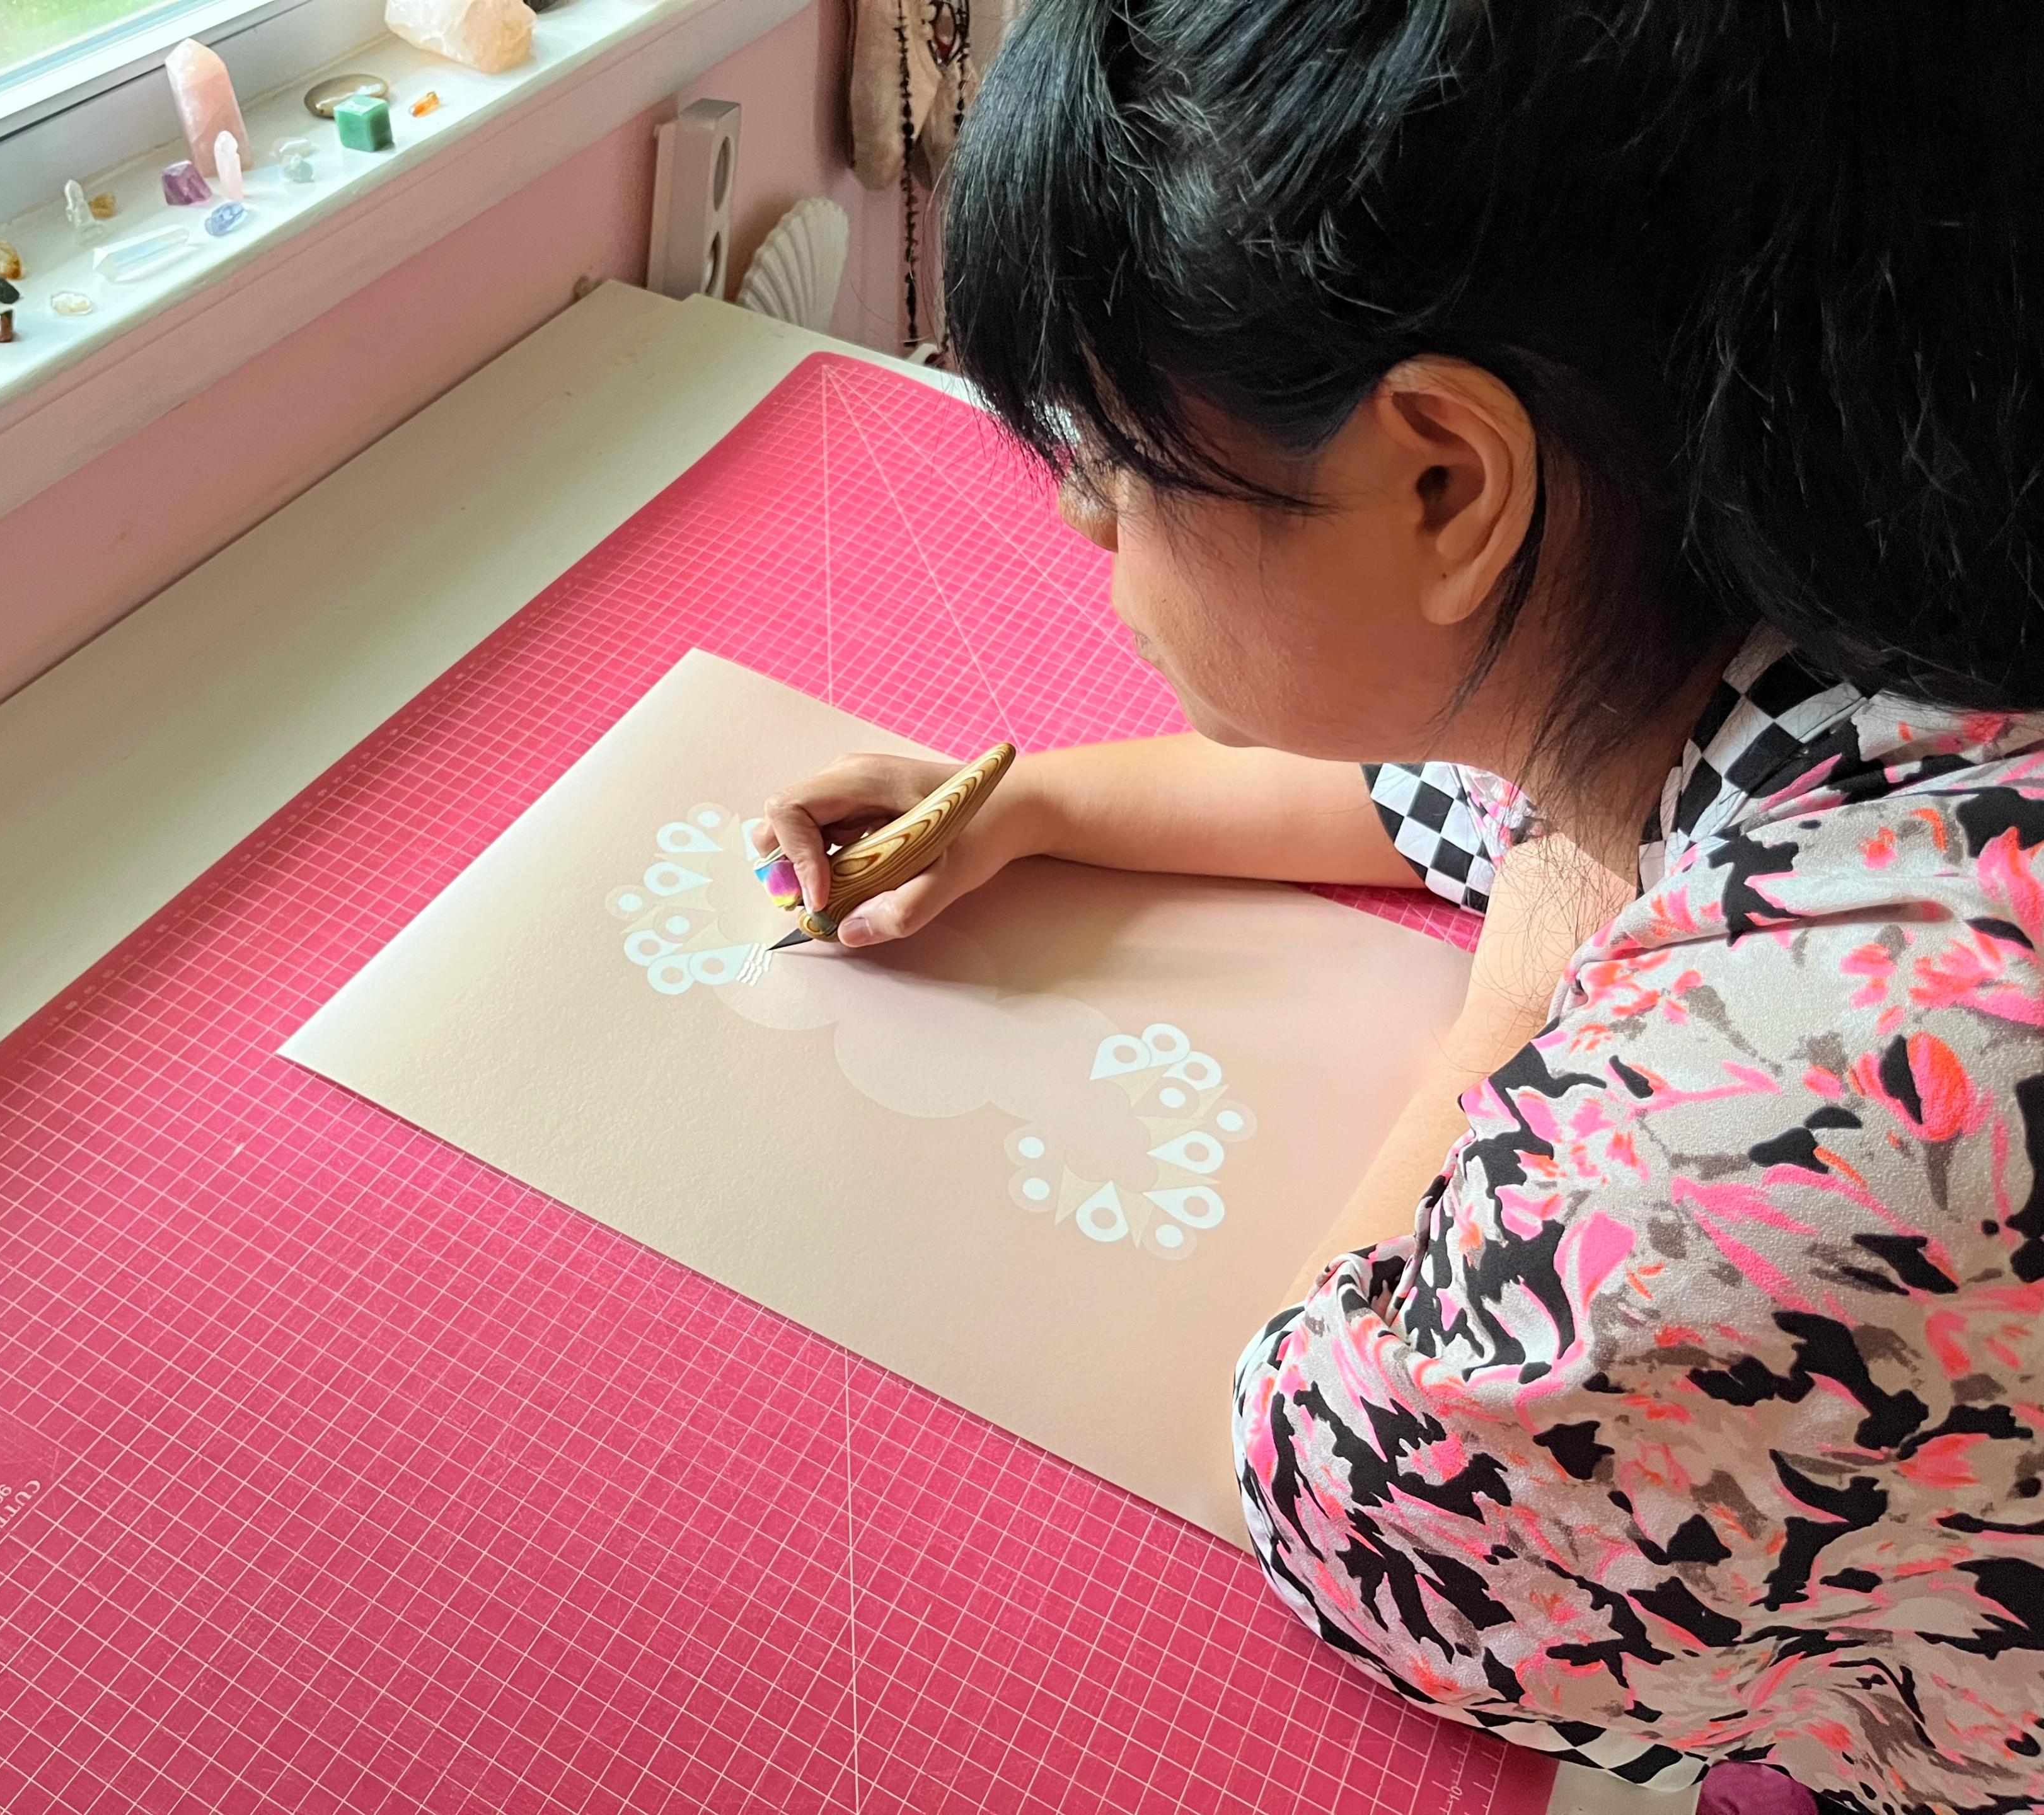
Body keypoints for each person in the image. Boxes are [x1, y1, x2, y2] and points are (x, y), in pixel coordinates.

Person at [751, 5, 2044, 1811]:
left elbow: (1342, 1493)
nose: (1074, 521)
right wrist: (1039, 805)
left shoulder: (1797, 1099)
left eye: (1115, 458)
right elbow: (1462, 779)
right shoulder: (1813, 542)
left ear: (1444, 477)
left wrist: (1523, 975)